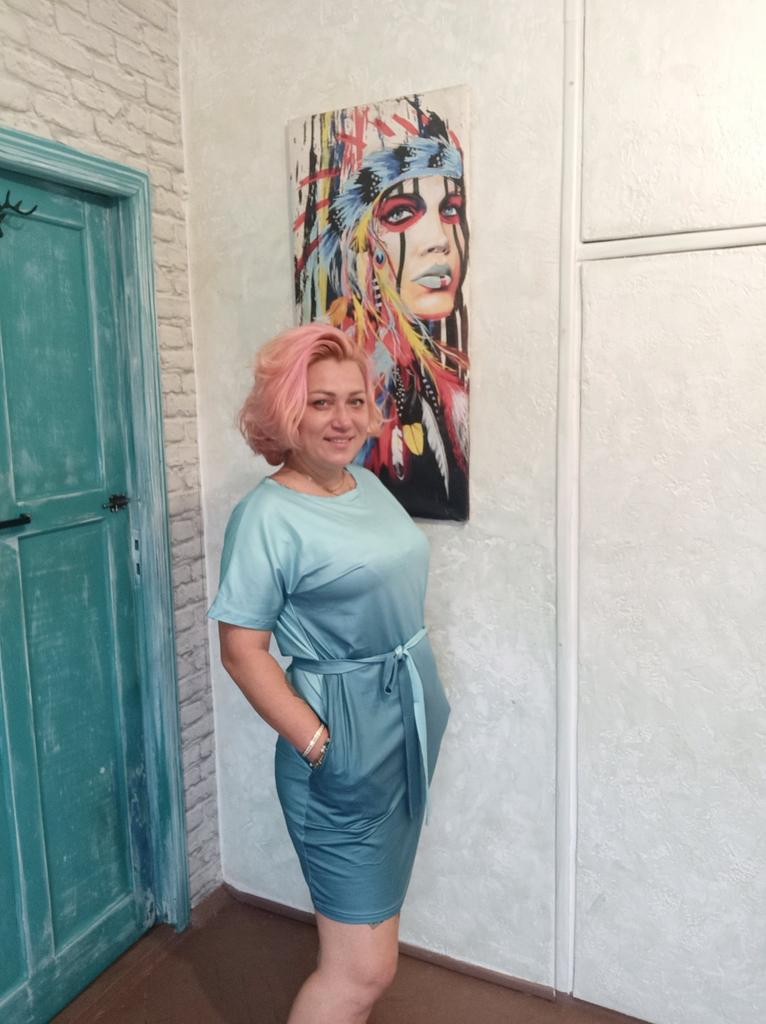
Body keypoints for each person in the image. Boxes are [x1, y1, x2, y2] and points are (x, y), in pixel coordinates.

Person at [208, 322, 451, 1024]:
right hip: (341, 749)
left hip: (404, 732)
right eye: (320, 403)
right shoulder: (265, 517)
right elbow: (242, 650)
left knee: (373, 952)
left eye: (354, 400)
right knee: (360, 970)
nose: (343, 419)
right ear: (286, 412)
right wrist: (319, 745)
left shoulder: (365, 485)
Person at [299, 121, 470, 521]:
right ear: (362, 250)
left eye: (450, 210)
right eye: (401, 214)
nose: (440, 240)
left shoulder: (441, 375)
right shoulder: (358, 372)